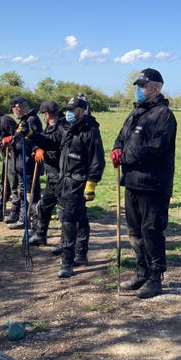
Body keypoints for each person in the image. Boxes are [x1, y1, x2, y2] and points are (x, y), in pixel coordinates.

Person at [21, 95, 105, 278]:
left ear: (82, 111)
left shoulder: (90, 132)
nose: (68, 114)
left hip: (77, 182)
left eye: (72, 110)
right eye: (66, 110)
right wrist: (30, 135)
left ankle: (67, 262)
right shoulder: (67, 129)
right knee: (80, 218)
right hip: (63, 180)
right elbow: (51, 143)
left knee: (67, 220)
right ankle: (81, 254)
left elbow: (97, 161)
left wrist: (91, 184)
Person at [111, 68, 177, 299]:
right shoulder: (135, 113)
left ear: (156, 88)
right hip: (132, 182)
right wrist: (117, 149)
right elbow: (121, 137)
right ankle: (141, 270)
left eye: (143, 86)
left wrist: (126, 156)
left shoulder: (163, 115)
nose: (139, 90)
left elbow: (156, 148)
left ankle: (155, 276)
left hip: (153, 184)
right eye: (138, 86)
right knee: (135, 231)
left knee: (151, 230)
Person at [29, 100, 66, 248]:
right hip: (51, 176)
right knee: (44, 206)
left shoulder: (62, 127)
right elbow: (43, 139)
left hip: (61, 175)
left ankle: (65, 242)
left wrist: (36, 139)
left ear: (48, 114)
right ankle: (40, 235)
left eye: (44, 114)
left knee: (63, 211)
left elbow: (52, 142)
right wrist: (38, 148)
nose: (43, 117)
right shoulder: (49, 127)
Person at [2, 97, 43, 230]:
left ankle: (35, 222)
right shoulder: (24, 121)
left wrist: (13, 141)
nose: (14, 112)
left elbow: (31, 141)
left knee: (31, 195)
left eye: (14, 109)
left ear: (18, 107)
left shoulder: (31, 120)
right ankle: (24, 219)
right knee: (23, 193)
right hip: (20, 164)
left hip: (28, 165)